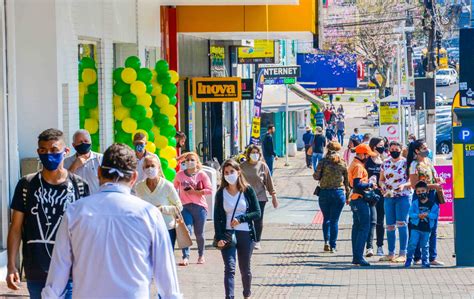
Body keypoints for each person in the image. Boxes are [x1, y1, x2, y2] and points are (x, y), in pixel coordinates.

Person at [41, 144, 181, 299]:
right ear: (134, 177)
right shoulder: (149, 214)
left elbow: (59, 271)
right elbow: (166, 277)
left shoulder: (75, 212)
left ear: (99, 172)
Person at [6, 128, 90, 299]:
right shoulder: (26, 185)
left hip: (70, 271)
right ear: (38, 152)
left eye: (54, 150)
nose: (48, 155)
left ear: (66, 151)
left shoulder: (79, 185)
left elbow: (86, 230)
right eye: (43, 151)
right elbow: (15, 227)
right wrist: (11, 266)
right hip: (36, 270)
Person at [214, 159, 261, 299]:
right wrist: (219, 237)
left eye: (232, 172)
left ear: (238, 172)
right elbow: (217, 218)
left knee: (244, 268)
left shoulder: (247, 190)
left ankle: (247, 294)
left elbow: (257, 213)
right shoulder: (220, 193)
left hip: (245, 233)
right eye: (226, 173)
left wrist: (241, 219)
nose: (229, 175)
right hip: (228, 234)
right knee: (229, 268)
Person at [407, 139, 444, 266]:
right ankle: (416, 257)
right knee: (417, 226)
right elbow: (413, 184)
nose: (427, 150)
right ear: (417, 151)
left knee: (432, 227)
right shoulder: (414, 165)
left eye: (426, 147)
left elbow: (433, 175)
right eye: (424, 148)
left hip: (432, 197)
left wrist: (438, 179)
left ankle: (431, 257)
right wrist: (432, 185)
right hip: (420, 197)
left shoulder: (428, 161)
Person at [136, 155, 182, 249]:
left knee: (165, 261)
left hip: (166, 228)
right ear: (143, 169)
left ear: (158, 167)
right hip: (147, 229)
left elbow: (179, 207)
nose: (150, 169)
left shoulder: (167, 186)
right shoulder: (139, 187)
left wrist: (162, 209)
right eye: (147, 166)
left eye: (152, 166)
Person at [174, 152, 212, 266]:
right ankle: (185, 256)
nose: (189, 162)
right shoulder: (180, 175)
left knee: (199, 233)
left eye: (192, 160)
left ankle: (201, 255)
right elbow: (173, 187)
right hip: (185, 207)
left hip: (200, 207)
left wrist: (195, 191)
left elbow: (209, 190)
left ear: (197, 162)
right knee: (186, 231)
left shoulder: (202, 175)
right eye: (187, 160)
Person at [313, 141, 351, 253]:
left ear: (327, 149)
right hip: (338, 193)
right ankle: (333, 245)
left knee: (326, 219)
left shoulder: (323, 162)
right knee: (335, 220)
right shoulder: (343, 163)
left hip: (324, 193)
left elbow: (316, 177)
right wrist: (348, 196)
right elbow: (347, 182)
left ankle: (326, 242)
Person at [378, 141, 412, 263]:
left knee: (402, 223)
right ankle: (391, 253)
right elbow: (381, 180)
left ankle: (403, 252)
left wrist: (403, 186)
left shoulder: (406, 163)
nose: (394, 151)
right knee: (390, 225)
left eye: (396, 149)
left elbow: (412, 181)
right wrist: (382, 186)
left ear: (401, 149)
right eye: (391, 149)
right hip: (389, 196)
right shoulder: (385, 163)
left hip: (403, 196)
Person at [240, 145, 278, 250]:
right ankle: (247, 239)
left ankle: (257, 240)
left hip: (260, 197)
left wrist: (274, 196)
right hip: (245, 197)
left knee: (258, 219)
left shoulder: (263, 166)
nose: (255, 155)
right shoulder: (242, 166)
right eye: (252, 152)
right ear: (248, 154)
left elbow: (269, 182)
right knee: (246, 218)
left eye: (257, 152)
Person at [348, 144, 377, 266]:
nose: (368, 157)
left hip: (354, 199)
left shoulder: (354, 164)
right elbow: (357, 184)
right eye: (367, 155)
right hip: (360, 200)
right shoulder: (359, 166)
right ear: (361, 154)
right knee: (364, 228)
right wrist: (370, 185)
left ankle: (356, 256)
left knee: (357, 227)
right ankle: (358, 257)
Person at [405, 181, 439, 268]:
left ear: (427, 191)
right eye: (418, 192)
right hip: (415, 228)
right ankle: (409, 259)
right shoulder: (415, 203)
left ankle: (425, 261)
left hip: (427, 228)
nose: (421, 193)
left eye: (423, 191)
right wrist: (417, 215)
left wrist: (428, 215)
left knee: (425, 245)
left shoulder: (432, 205)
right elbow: (411, 214)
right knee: (412, 244)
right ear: (416, 193)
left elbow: (435, 216)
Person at [64, 129, 103, 194]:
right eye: (80, 142)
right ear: (73, 145)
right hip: (77, 202)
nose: (83, 144)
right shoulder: (66, 162)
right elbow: (63, 183)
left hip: (97, 201)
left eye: (86, 141)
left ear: (91, 142)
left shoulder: (101, 159)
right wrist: (74, 166)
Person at [364, 137, 385, 257]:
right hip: (369, 194)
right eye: (380, 145)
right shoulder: (367, 161)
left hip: (381, 194)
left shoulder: (383, 161)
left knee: (380, 222)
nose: (382, 147)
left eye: (383, 145)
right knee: (371, 221)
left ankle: (380, 246)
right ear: (374, 146)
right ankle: (369, 247)